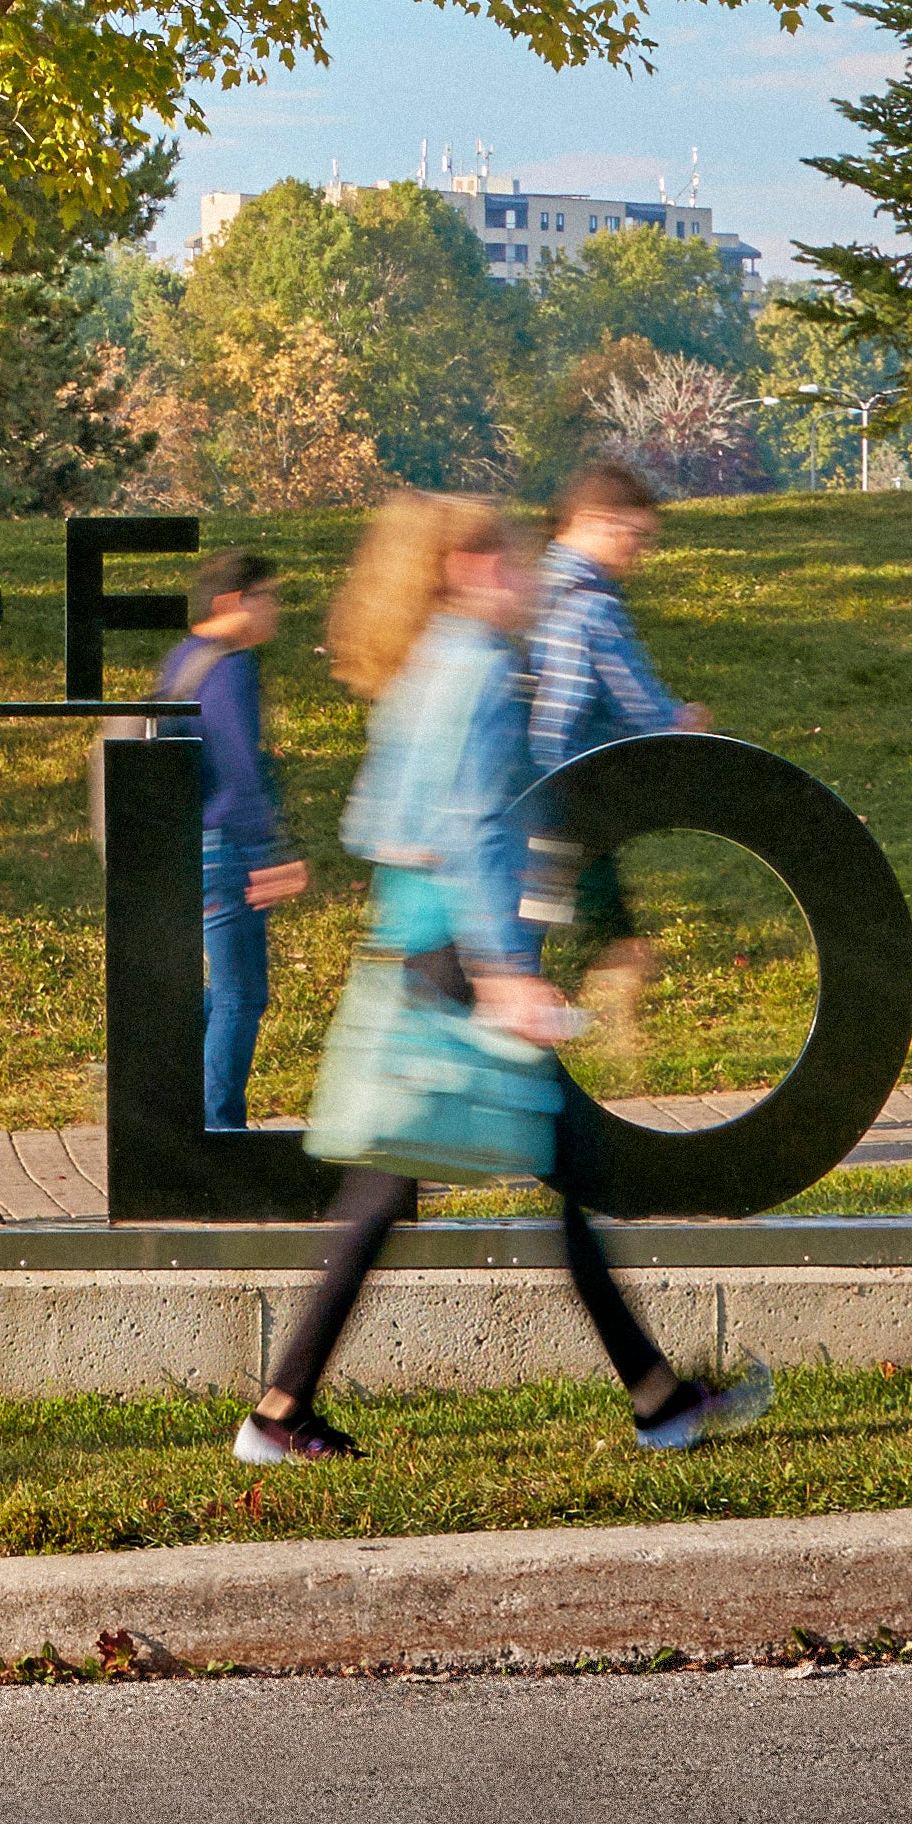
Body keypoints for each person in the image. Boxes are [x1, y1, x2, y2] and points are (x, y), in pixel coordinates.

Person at [231, 495, 769, 1471]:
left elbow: (375, 824)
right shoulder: (477, 669)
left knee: (385, 1188)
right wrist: (506, 971)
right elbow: (477, 828)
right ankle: (659, 1402)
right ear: (471, 568)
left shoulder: (419, 665)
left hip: (415, 944)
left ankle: (280, 1411)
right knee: (565, 1172)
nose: (526, 574)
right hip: (461, 957)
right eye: (514, 559)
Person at [520, 457, 711, 1057]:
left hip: (526, 796)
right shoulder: (592, 604)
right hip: (572, 799)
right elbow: (638, 705)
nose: (640, 550)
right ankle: (601, 1033)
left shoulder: (533, 586)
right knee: (611, 945)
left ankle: (536, 1047)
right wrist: (684, 722)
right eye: (634, 534)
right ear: (594, 521)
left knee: (530, 936)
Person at [157, 552, 306, 1132]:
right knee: (241, 993)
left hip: (185, 845)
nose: (275, 608)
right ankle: (220, 1131)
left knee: (219, 994)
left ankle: (181, 1114)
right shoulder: (230, 666)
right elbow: (243, 769)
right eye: (265, 595)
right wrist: (274, 854)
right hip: (224, 848)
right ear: (230, 604)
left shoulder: (182, 660)